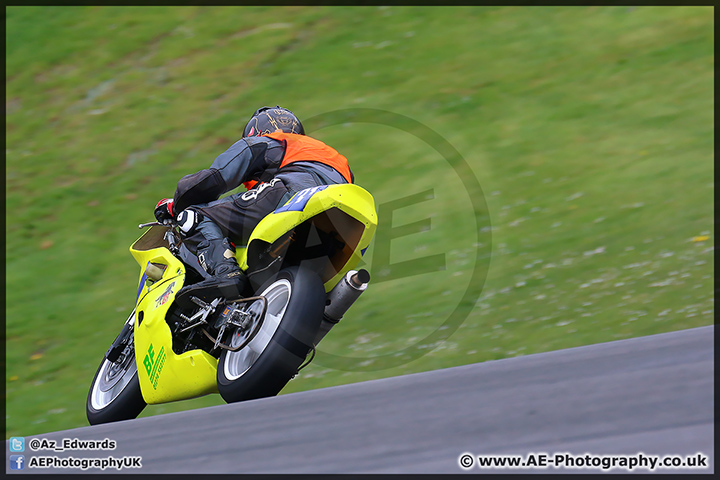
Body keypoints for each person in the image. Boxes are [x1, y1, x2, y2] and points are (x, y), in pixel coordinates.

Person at [153, 106, 353, 308]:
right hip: (341, 219)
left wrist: (177, 204)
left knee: (193, 217)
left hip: (293, 193)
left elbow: (214, 178)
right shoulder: (329, 155)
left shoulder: (271, 141)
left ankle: (226, 272)